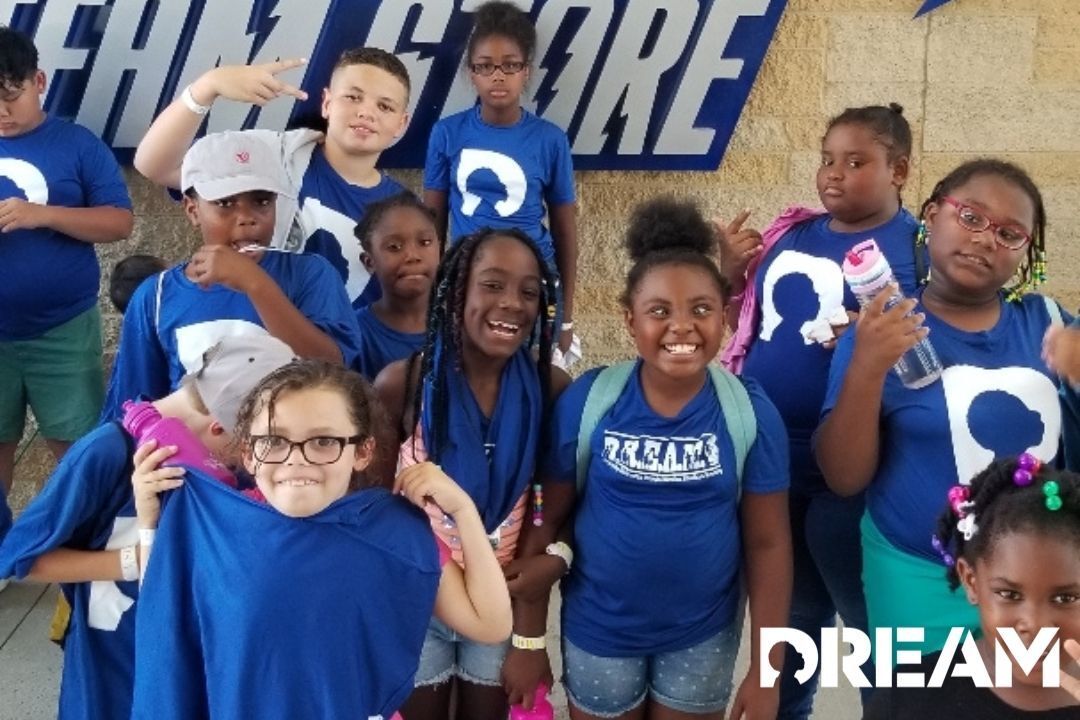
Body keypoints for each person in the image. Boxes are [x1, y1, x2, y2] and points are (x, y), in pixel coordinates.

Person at [129, 360, 512, 720]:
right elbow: (163, 618)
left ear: (362, 452)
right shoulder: (219, 527)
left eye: (324, 441)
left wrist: (464, 513)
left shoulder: (395, 536)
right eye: (274, 441)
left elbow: (490, 624)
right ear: (248, 453)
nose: (297, 459)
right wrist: (151, 524)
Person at [537, 198, 792, 720]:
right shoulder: (590, 402)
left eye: (701, 309)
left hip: (702, 637)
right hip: (599, 634)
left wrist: (767, 671)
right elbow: (548, 517)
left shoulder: (749, 411)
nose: (681, 327)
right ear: (629, 320)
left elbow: (768, 545)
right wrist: (527, 637)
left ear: (725, 315)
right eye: (659, 311)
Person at [816, 159, 1070, 655]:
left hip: (1041, 587)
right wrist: (868, 366)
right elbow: (843, 477)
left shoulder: (1053, 326)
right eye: (970, 217)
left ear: (1026, 252)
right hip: (917, 582)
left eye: (1010, 233)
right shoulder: (881, 328)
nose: (985, 239)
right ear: (931, 215)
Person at [718, 103, 918, 718]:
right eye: (827, 159)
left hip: (855, 476)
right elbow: (747, 330)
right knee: (794, 626)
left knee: (870, 633)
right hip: (776, 466)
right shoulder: (793, 234)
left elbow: (928, 357)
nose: (833, 174)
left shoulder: (917, 250)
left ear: (899, 171)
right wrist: (729, 274)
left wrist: (868, 340)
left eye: (856, 162)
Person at [0, 335, 296, 720]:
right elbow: (20, 558)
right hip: (110, 668)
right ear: (221, 428)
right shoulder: (106, 454)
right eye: (252, 448)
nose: (249, 466)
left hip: (183, 664)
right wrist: (136, 560)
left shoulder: (217, 473)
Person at [373, 226, 570, 720]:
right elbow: (374, 507)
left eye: (529, 292)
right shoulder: (406, 383)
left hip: (500, 600)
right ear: (457, 291)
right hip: (422, 600)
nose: (512, 303)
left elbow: (549, 514)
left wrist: (529, 635)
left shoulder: (551, 389)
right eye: (493, 284)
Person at [101, 130, 361, 421]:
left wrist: (256, 284)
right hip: (190, 462)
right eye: (225, 203)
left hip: (290, 460)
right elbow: (134, 408)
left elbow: (332, 371)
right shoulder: (156, 296)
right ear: (192, 209)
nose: (246, 217)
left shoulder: (311, 274)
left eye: (262, 201)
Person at [133, 48, 410, 308]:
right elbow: (155, 165)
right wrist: (208, 87)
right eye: (353, 97)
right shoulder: (267, 156)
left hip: (342, 356)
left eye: (385, 106)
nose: (366, 112)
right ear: (327, 103)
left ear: (402, 123)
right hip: (255, 346)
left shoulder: (407, 211)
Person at [0, 26, 134, 495]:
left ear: (38, 81)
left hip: (63, 329)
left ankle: (84, 560)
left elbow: (119, 223)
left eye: (11, 95)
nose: (1, 112)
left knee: (80, 455)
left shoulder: (76, 144)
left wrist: (42, 215)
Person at [864, 456, 1080, 718]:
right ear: (970, 581)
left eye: (1066, 598)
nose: (1036, 625)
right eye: (1009, 594)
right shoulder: (910, 697)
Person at [423, 1, 579, 359]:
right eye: (486, 66)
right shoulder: (447, 134)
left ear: (526, 71)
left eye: (510, 65)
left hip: (533, 281)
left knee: (532, 381)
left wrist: (565, 318)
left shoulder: (550, 139)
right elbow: (432, 225)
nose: (498, 76)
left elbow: (565, 230)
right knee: (466, 375)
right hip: (468, 280)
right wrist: (430, 301)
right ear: (471, 72)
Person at [352, 192, 440, 380]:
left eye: (424, 242)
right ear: (369, 262)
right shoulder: (355, 334)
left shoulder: (460, 328)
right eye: (394, 247)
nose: (412, 256)